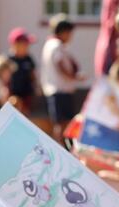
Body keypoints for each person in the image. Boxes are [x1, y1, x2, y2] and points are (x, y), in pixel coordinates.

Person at [40, 14, 84, 144]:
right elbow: (60, 64)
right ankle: (61, 148)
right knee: (62, 124)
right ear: (64, 32)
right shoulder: (56, 45)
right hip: (60, 90)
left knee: (60, 123)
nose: (70, 37)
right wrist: (74, 77)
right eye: (69, 33)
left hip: (55, 90)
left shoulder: (50, 44)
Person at [7, 27, 37, 115]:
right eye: (25, 44)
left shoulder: (28, 59)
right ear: (15, 44)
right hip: (13, 95)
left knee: (25, 116)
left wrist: (36, 87)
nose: (27, 47)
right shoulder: (9, 60)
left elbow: (32, 74)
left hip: (26, 95)